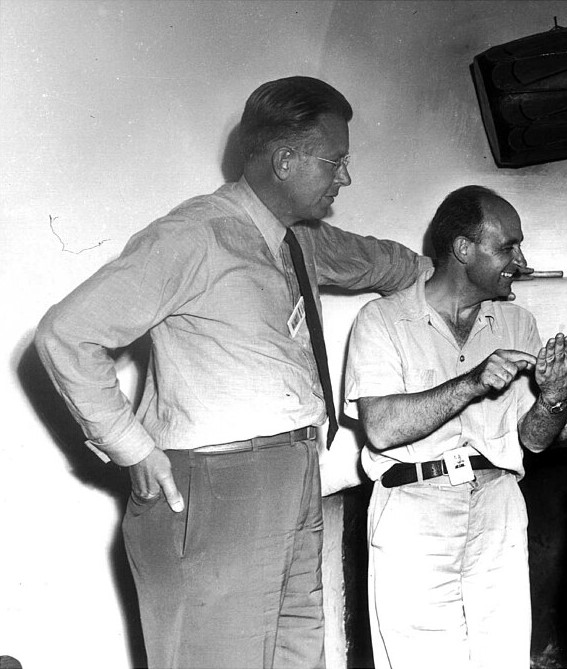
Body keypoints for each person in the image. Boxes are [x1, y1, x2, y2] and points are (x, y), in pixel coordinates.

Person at [34, 76, 430, 669]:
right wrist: (132, 449)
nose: (345, 178)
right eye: (337, 161)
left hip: (295, 473)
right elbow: (67, 333)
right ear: (286, 159)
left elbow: (383, 262)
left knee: (298, 658)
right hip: (215, 487)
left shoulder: (302, 240)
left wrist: (448, 270)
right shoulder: (195, 234)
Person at [344, 185, 567, 669]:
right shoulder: (382, 320)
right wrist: (471, 382)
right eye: (508, 246)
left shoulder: (518, 322)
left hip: (498, 506)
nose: (521, 261)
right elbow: (380, 428)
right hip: (414, 507)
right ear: (463, 249)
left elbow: (534, 439)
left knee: (503, 657)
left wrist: (554, 396)